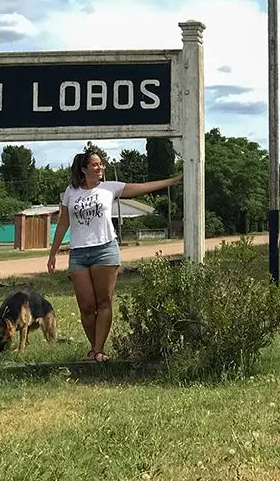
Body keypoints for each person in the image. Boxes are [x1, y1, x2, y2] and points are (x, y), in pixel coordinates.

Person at [48, 151, 183, 362]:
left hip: (105, 249)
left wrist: (174, 180)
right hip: (79, 253)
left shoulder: (109, 187)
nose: (100, 168)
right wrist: (53, 253)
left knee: (103, 302)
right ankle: (95, 347)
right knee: (86, 306)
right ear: (83, 169)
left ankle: (98, 351)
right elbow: (63, 222)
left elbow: (142, 187)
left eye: (101, 164)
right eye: (95, 165)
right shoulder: (70, 191)